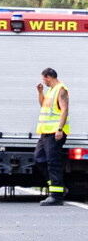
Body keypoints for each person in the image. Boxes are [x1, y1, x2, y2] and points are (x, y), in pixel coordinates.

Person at [35, 67, 69, 206]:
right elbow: (43, 105)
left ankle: (56, 196)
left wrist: (59, 129)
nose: (44, 81)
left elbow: (65, 109)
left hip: (55, 133)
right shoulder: (50, 90)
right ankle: (58, 187)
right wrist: (40, 92)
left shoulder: (61, 90)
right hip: (45, 132)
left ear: (49, 77)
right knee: (39, 158)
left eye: (44, 79)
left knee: (53, 163)